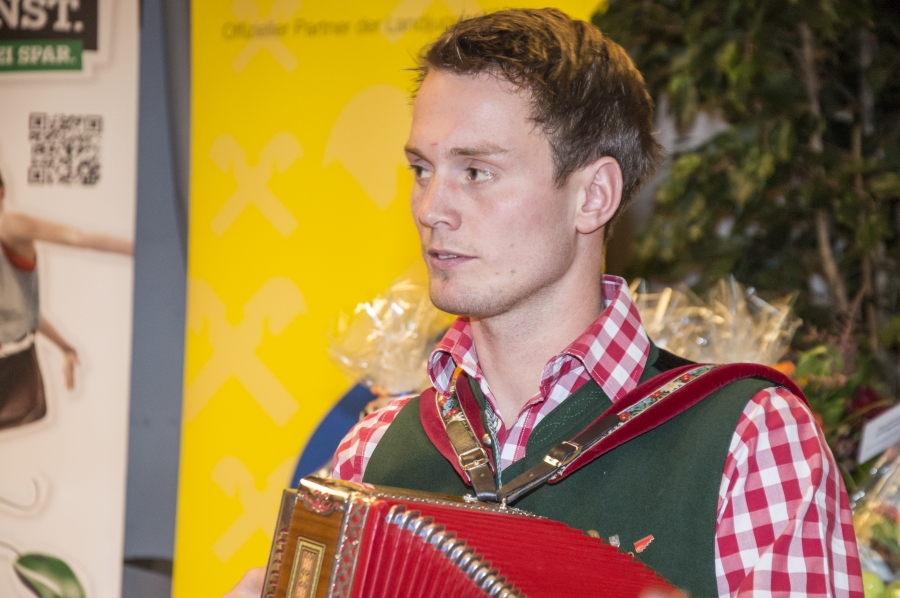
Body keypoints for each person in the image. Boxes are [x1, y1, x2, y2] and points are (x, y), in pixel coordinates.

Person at [228, 8, 862, 597]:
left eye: (476, 171)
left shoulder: (750, 437)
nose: (431, 208)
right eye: (422, 169)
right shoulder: (370, 449)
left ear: (593, 196)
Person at [0, 169, 133, 430]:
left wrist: (147, 249)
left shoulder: (9, 225)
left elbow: (77, 237)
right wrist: (66, 348)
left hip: (13, 373)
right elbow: (25, 313)